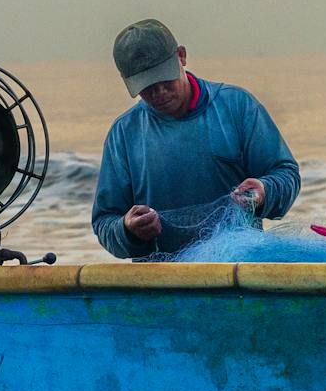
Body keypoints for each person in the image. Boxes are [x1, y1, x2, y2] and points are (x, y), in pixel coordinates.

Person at [91, 18, 301, 258]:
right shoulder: (123, 133)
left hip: (238, 269)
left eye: (164, 79)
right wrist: (128, 229)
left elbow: (286, 173)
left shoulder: (237, 107)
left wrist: (265, 191)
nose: (159, 92)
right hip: (161, 282)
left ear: (181, 56)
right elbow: (105, 222)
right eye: (146, 87)